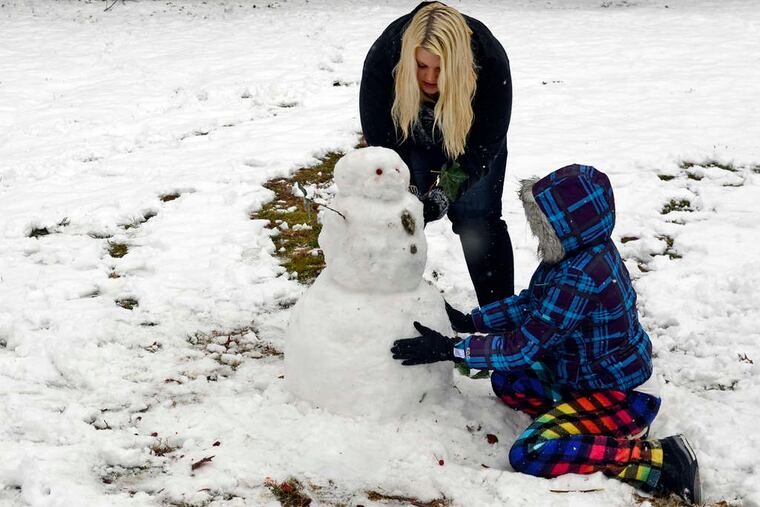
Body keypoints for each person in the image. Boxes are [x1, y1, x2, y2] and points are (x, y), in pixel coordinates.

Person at [391, 164, 702, 505]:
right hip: (584, 377)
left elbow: (525, 345)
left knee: (532, 451)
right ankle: (580, 421)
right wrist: (471, 321)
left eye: (543, 222)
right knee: (506, 380)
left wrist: (452, 349)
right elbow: (533, 306)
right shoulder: (577, 254)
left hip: (623, 395)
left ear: (566, 224)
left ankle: (656, 457)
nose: (537, 231)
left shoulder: (581, 276)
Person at [359, 1, 514, 305]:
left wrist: (447, 189)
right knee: (399, 217)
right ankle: (383, 312)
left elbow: (482, 148)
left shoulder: (490, 64)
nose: (430, 78)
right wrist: (409, 189)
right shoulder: (383, 57)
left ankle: (501, 321)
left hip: (466, 139)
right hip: (408, 135)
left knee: (477, 220)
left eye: (441, 69)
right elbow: (383, 143)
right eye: (421, 66)